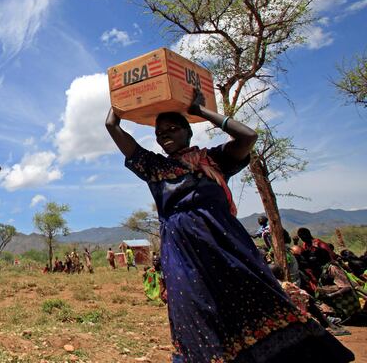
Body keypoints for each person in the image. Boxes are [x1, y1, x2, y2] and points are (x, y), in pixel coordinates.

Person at [105, 89, 354, 363]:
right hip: (183, 256)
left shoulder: (215, 160)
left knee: (255, 299)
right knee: (195, 311)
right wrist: (121, 103)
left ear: (188, 132)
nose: (164, 135)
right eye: (159, 132)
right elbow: (111, 126)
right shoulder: (155, 167)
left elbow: (248, 136)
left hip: (226, 247)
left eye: (172, 128)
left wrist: (202, 111)